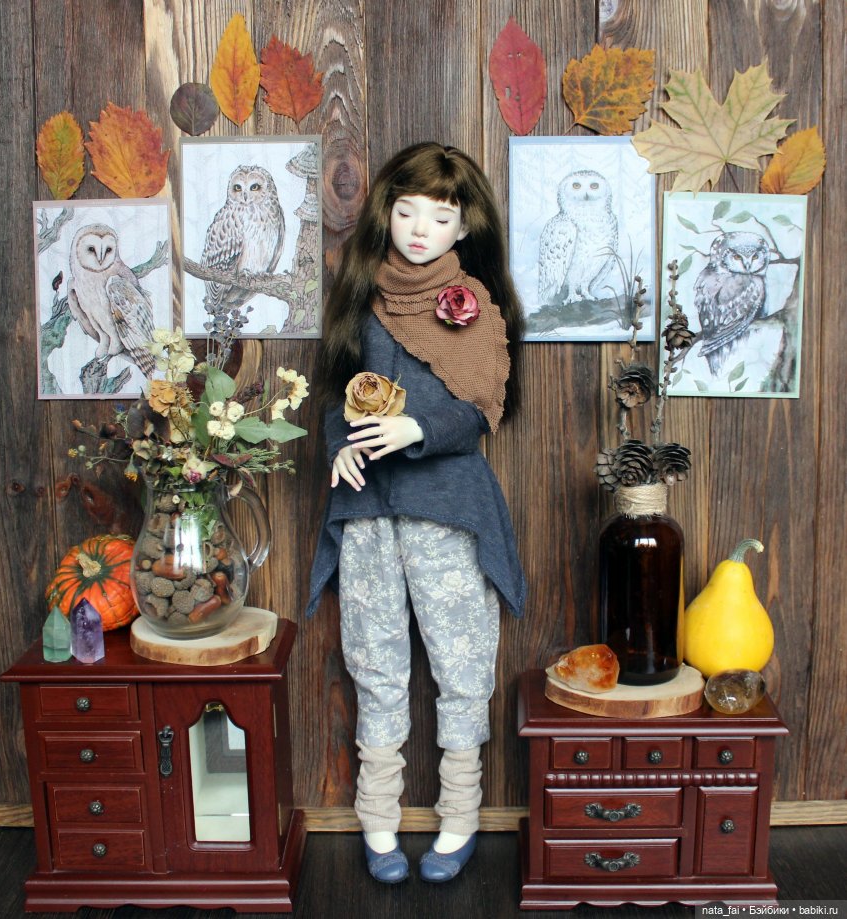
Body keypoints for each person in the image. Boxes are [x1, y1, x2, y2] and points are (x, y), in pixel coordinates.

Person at [307, 142, 526, 884]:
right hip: (368, 506)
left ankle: (460, 815)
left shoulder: (477, 306)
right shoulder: (362, 294)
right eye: (406, 212)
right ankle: (378, 820)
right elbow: (337, 391)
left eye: (439, 214)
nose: (421, 228)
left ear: (464, 224)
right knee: (375, 664)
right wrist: (340, 445)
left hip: (448, 509)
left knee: (462, 663)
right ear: (385, 215)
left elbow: (482, 410)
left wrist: (417, 428)